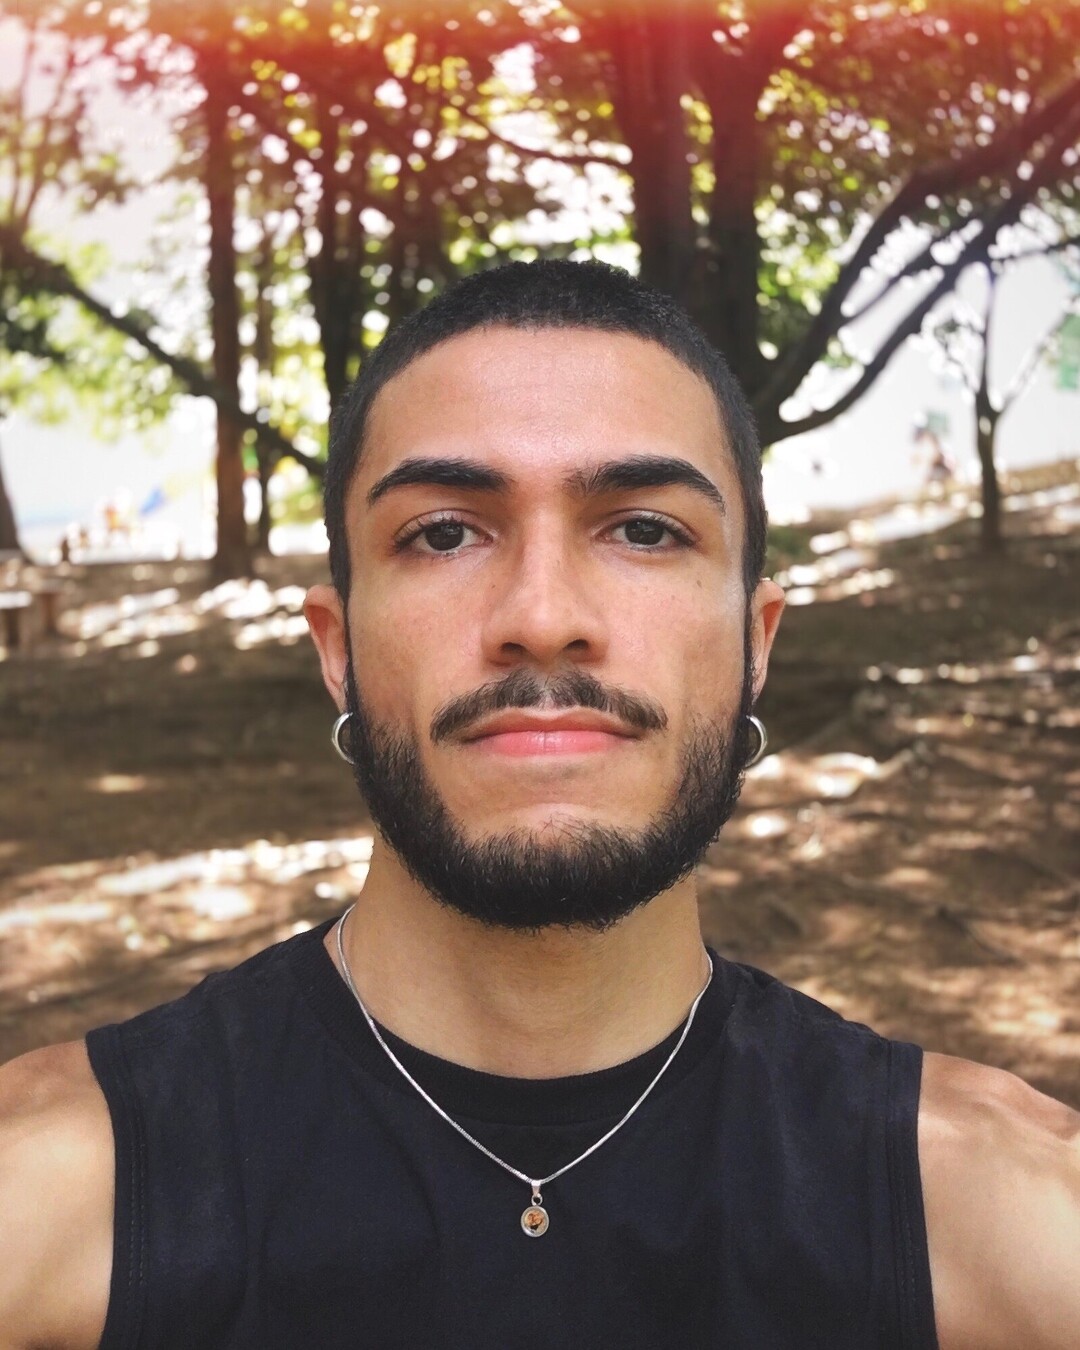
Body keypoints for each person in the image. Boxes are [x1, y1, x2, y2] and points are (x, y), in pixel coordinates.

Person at [0, 261, 1076, 1350]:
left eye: (645, 529)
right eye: (443, 533)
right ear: (339, 650)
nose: (544, 615)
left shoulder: (1000, 1215)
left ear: (756, 644)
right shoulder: (51, 1197)